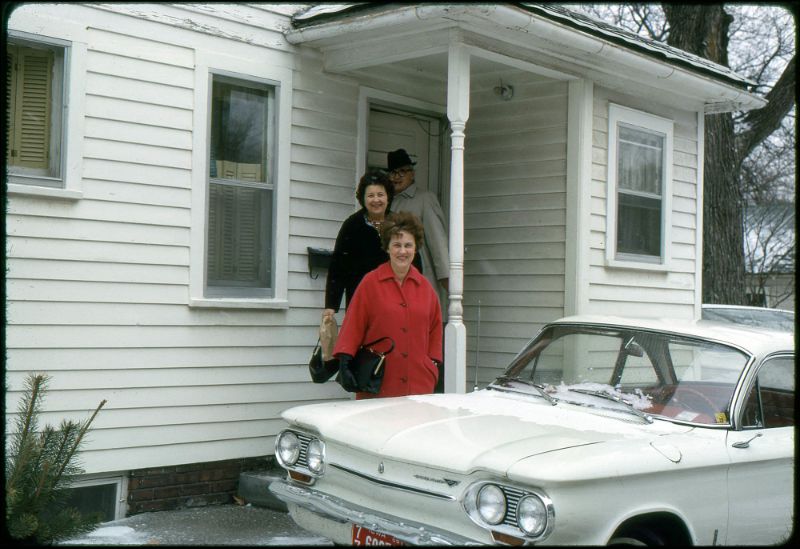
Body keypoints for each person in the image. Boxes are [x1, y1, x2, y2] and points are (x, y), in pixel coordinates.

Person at [333, 212, 443, 400]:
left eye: (408, 245)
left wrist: (432, 363)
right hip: (377, 382)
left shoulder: (426, 289)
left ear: (416, 248)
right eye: (397, 245)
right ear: (387, 248)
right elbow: (353, 324)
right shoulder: (370, 283)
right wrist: (345, 358)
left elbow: (435, 330)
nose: (403, 251)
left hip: (419, 383)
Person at [323, 170, 396, 321]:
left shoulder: (398, 224)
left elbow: (413, 261)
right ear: (363, 198)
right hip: (360, 299)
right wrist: (331, 305)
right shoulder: (352, 225)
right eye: (370, 195)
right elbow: (338, 266)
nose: (376, 200)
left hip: (394, 300)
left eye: (380, 194)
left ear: (388, 196)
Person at [387, 149, 450, 300]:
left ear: (412, 174)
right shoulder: (386, 202)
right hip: (393, 283)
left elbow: (438, 243)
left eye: (402, 172)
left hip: (421, 281)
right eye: (393, 172)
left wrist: (448, 282)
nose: (397, 177)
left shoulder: (425, 199)